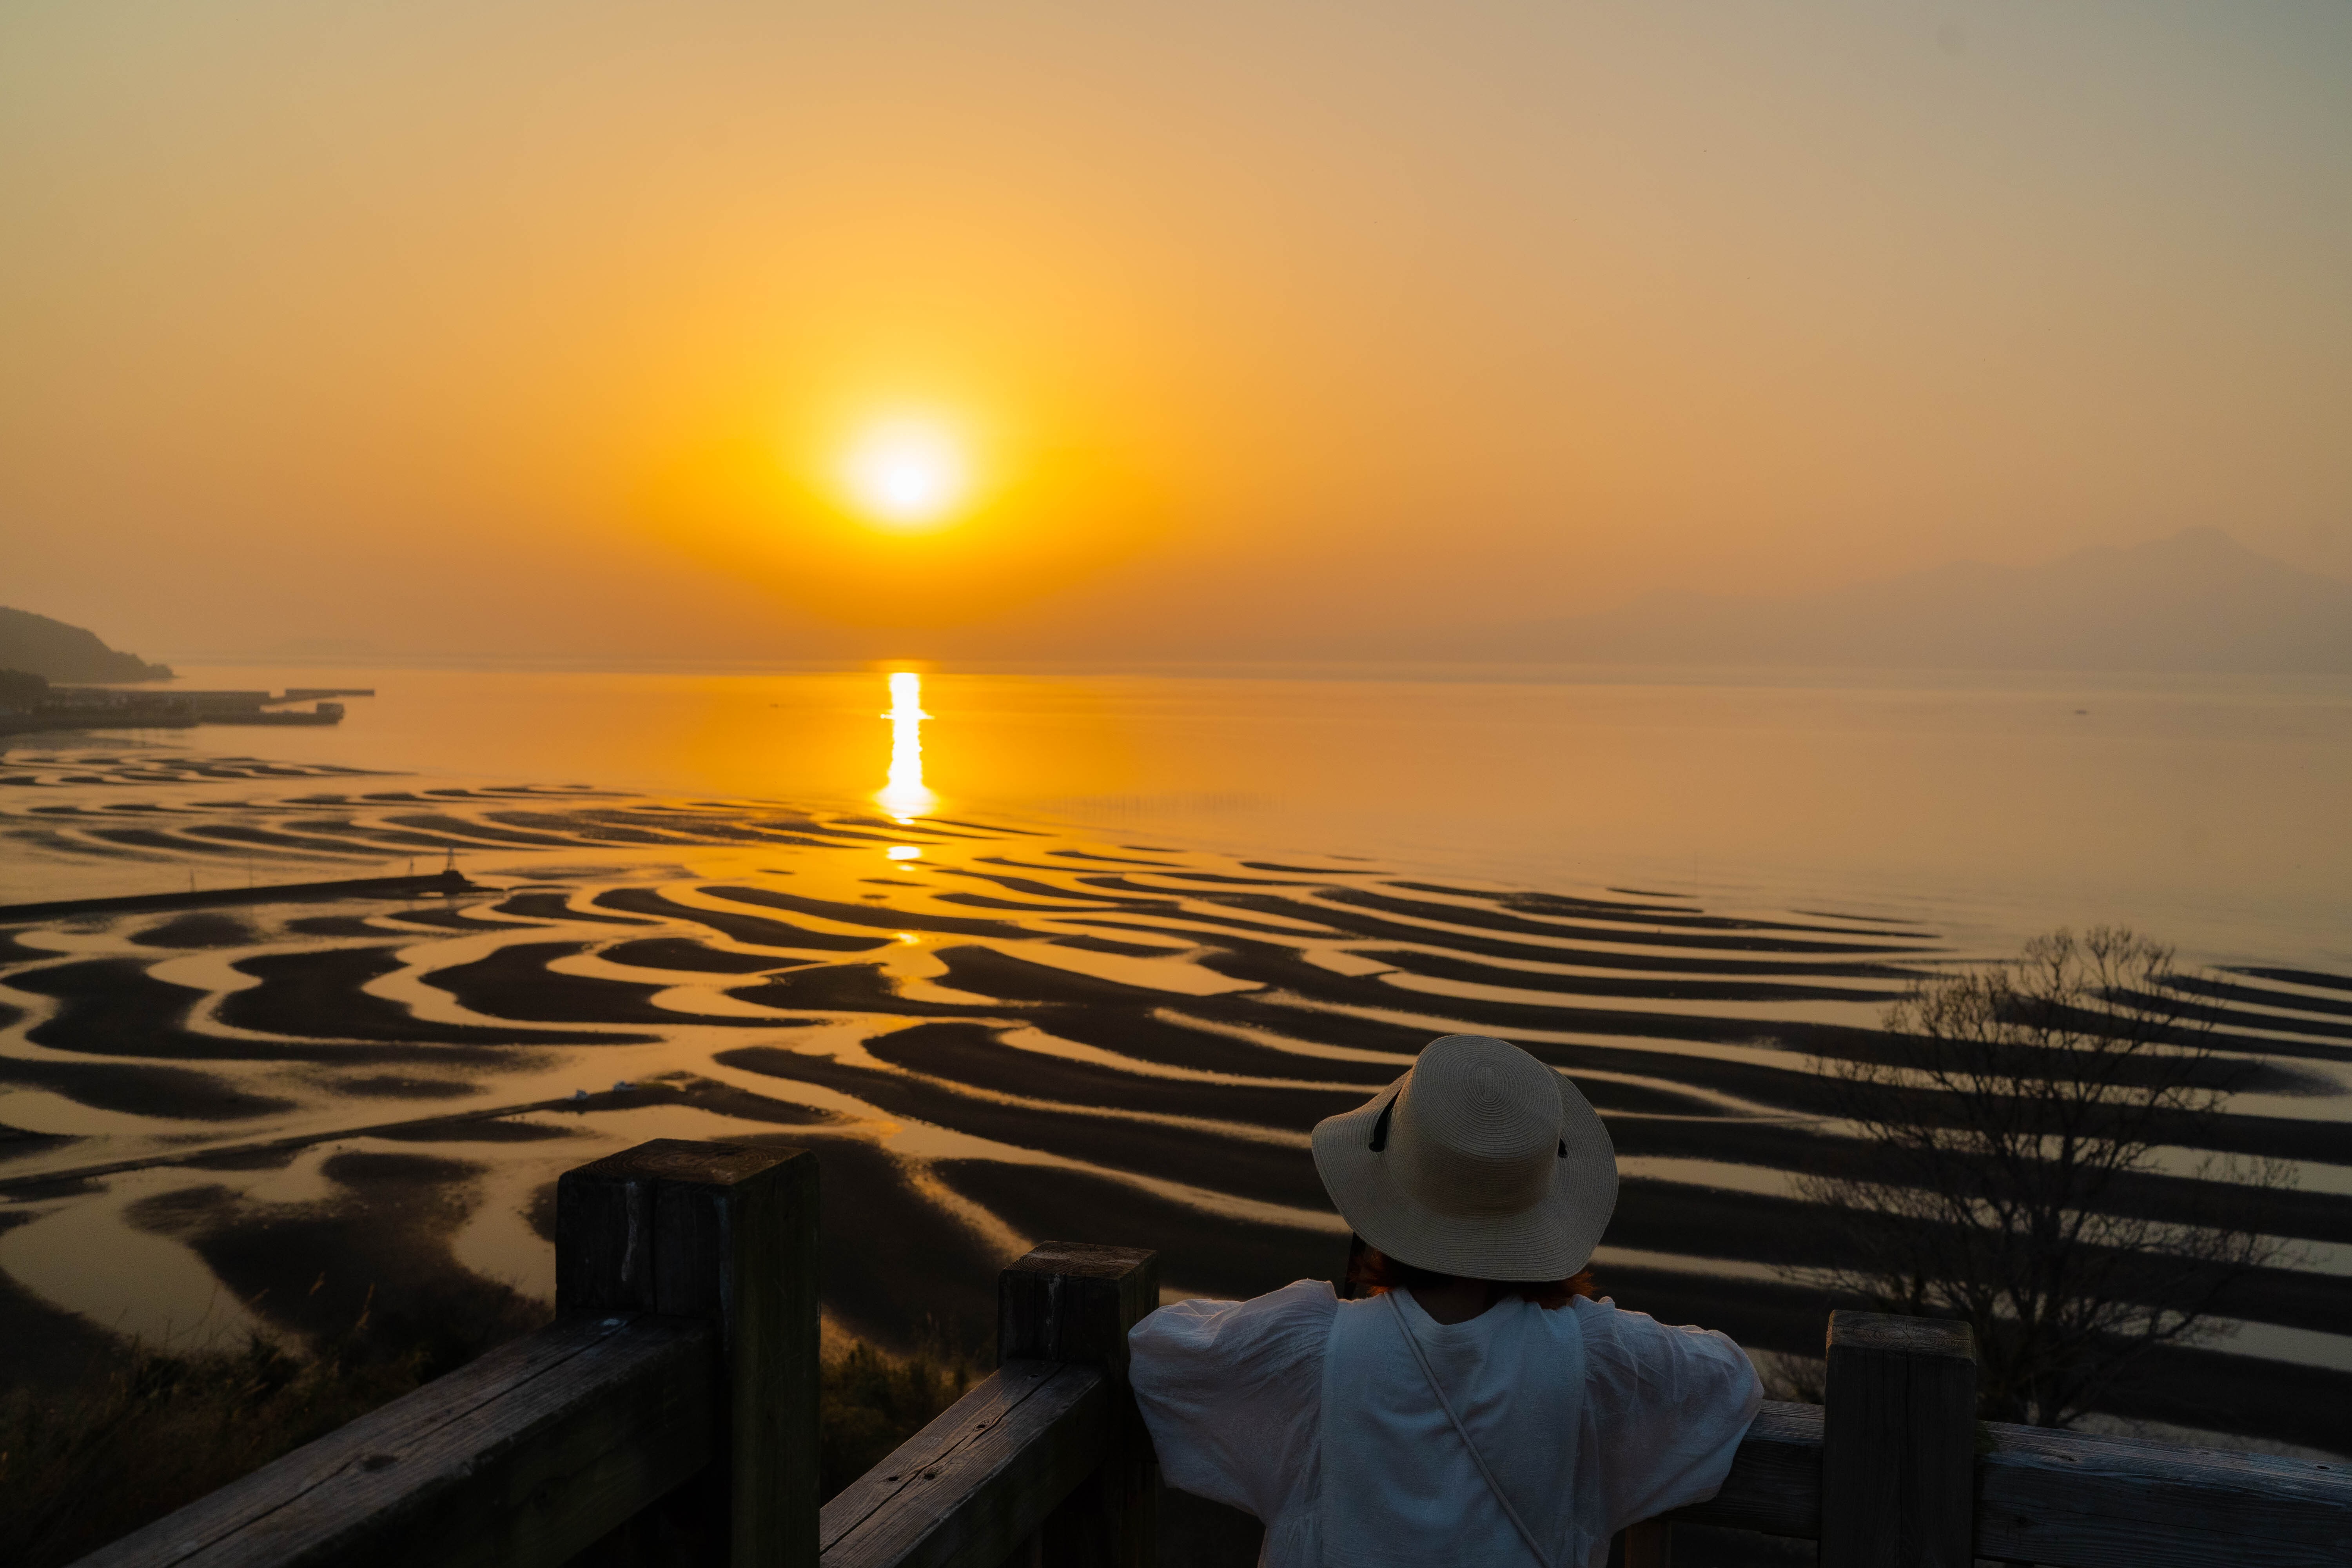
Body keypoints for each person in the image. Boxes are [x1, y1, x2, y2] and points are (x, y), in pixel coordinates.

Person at [1127, 1033, 1761, 1568]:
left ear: (1385, 1200)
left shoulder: (1311, 1354)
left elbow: (1159, 1354)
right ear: (1541, 1205)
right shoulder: (1596, 1363)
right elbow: (1730, 1381)